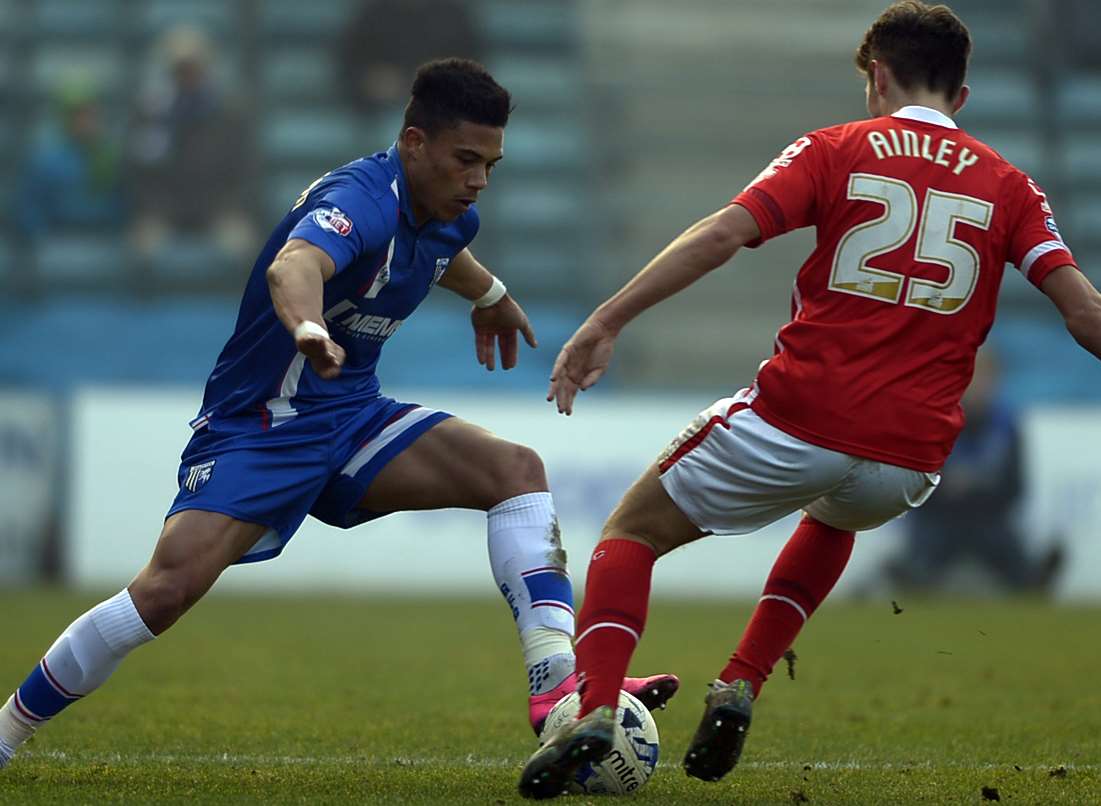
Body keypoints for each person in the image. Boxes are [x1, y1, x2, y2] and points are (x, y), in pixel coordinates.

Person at [0, 59, 676, 771]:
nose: (478, 180)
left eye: (491, 165)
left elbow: (445, 254)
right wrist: (307, 327)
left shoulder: (445, 212)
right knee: (164, 592)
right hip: (261, 425)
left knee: (514, 470)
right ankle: (9, 729)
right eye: (465, 161)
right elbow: (293, 266)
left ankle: (556, 685)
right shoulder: (359, 199)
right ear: (414, 142)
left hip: (350, 417)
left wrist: (491, 295)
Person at [519, 2, 1101, 798]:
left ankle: (592, 709)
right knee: (834, 514)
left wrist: (605, 319)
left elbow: (725, 235)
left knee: (630, 531)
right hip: (911, 458)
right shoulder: (1011, 187)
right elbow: (1083, 315)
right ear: (961, 96)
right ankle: (740, 681)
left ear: (876, 76)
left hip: (803, 413)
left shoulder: (837, 148)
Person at [884, 349, 1064, 593]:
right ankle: (912, 575)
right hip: (941, 516)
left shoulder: (1007, 425)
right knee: (929, 544)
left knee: (1002, 542)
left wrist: (977, 489)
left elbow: (1015, 486)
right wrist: (949, 487)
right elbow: (914, 482)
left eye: (985, 377)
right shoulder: (935, 421)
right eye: (973, 377)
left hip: (987, 516)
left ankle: (1031, 578)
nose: (978, 385)